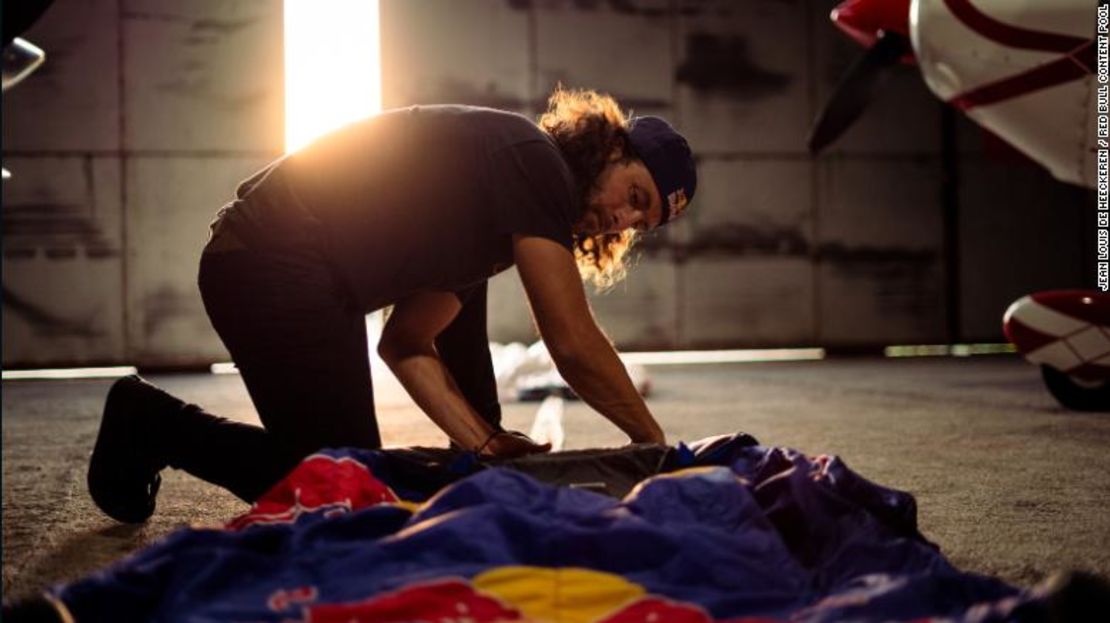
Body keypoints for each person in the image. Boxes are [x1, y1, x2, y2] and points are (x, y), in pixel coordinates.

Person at [87, 87, 697, 524]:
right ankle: (151, 421)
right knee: (342, 494)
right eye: (634, 195)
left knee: (356, 483)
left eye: (640, 222)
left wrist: (485, 442)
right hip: (268, 259)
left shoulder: (493, 216)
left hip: (291, 273)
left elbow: (407, 344)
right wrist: (657, 449)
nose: (623, 219)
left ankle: (149, 421)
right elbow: (570, 342)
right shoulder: (532, 160)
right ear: (610, 150)